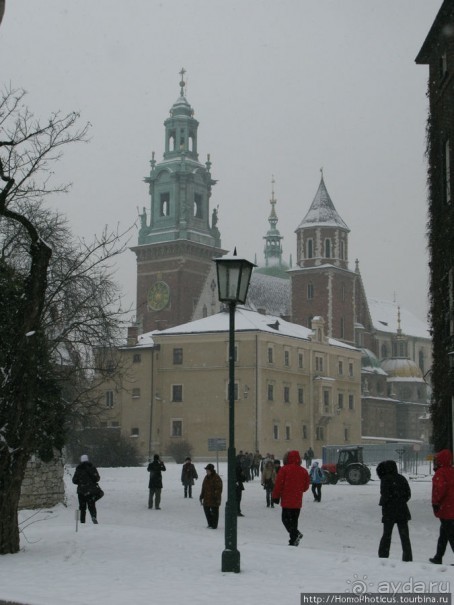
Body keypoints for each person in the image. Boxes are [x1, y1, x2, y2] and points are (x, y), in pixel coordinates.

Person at [376, 460, 412, 562]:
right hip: (402, 510)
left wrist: (386, 502)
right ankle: (407, 557)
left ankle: (383, 555)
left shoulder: (385, 479)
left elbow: (385, 494)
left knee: (387, 535)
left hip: (389, 511)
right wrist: (401, 501)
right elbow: (408, 494)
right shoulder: (402, 478)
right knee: (405, 537)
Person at [272, 450, 310, 546]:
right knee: (294, 521)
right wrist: (298, 490)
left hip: (287, 500)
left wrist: (275, 497)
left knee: (285, 519)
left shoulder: (284, 469)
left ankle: (295, 535)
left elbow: (278, 485)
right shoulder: (303, 471)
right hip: (297, 500)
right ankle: (293, 540)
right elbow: (306, 487)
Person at [429, 449, 454, 564]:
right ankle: (438, 556)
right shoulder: (452, 471)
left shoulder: (441, 473)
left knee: (449, 534)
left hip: (446, 508)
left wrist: (435, 503)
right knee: (445, 533)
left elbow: (439, 490)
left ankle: (438, 557)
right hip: (451, 507)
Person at [72, 454, 101, 524]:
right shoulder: (92, 468)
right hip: (91, 491)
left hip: (81, 491)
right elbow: (97, 478)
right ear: (88, 460)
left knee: (82, 507)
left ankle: (82, 521)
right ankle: (93, 517)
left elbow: (74, 480)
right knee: (92, 505)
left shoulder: (78, 469)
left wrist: (80, 481)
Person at [199, 463, 223, 529]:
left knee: (214, 512)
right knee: (206, 509)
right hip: (207, 498)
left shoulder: (216, 478)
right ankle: (210, 523)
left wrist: (215, 495)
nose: (206, 471)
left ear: (211, 470)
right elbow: (203, 487)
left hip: (214, 498)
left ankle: (214, 525)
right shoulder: (206, 478)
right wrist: (201, 495)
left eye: (207, 470)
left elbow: (219, 488)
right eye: (206, 470)